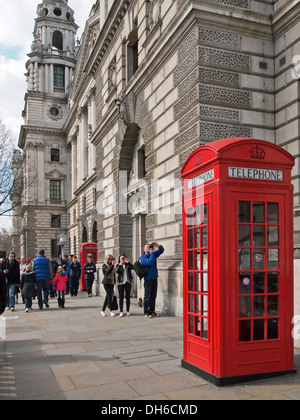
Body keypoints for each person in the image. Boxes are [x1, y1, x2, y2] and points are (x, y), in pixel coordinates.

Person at [140, 242, 164, 318]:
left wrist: (158, 246)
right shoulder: (143, 257)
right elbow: (150, 263)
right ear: (144, 249)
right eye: (147, 247)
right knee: (147, 296)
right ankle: (147, 311)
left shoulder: (152, 254)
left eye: (149, 247)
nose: (148, 248)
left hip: (154, 278)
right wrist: (152, 253)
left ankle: (152, 310)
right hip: (148, 279)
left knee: (153, 295)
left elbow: (161, 250)